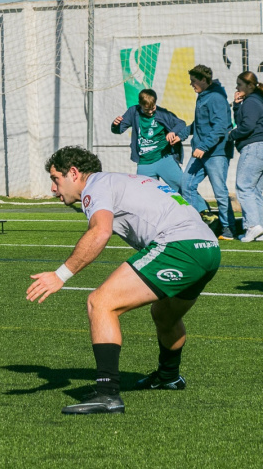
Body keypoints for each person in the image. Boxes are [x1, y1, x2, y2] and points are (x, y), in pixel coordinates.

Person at [27, 146, 220, 415]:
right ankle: (169, 376)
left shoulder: (95, 186)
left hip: (180, 246)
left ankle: (107, 394)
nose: (53, 188)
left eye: (55, 179)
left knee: (100, 303)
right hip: (209, 248)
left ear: (73, 173)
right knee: (165, 314)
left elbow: (100, 231)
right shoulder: (122, 179)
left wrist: (60, 275)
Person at [176, 64, 236, 240]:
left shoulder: (216, 97)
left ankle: (228, 228)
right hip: (201, 151)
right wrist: (182, 135)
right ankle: (195, 225)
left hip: (215, 152)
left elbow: (220, 128)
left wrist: (203, 146)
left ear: (204, 80)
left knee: (219, 191)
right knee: (186, 184)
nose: (191, 84)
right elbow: (199, 123)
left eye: (194, 81)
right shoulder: (203, 96)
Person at [111, 89, 185, 192]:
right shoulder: (133, 111)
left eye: (152, 108)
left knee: (183, 187)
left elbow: (181, 124)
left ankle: (200, 208)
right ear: (140, 104)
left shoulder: (162, 113)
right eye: (146, 110)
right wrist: (115, 125)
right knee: (147, 193)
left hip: (164, 157)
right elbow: (118, 130)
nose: (150, 112)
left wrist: (173, 132)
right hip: (144, 162)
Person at [228, 71, 263, 243]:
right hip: (259, 148)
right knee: (256, 190)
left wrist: (231, 135)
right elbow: (243, 120)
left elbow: (247, 126)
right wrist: (236, 105)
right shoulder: (253, 101)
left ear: (250, 86)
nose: (236, 87)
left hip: (254, 147)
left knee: (244, 187)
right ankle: (260, 229)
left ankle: (252, 226)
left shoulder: (252, 102)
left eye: (239, 84)